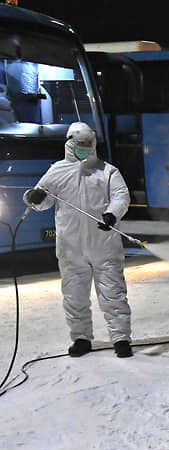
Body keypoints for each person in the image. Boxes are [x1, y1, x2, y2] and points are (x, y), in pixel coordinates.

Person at [22, 122, 133, 358]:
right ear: (70, 143)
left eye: (89, 144)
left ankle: (121, 339)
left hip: (104, 245)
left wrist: (112, 213)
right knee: (74, 296)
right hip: (71, 247)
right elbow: (42, 200)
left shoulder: (107, 171)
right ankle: (81, 339)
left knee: (113, 294)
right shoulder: (56, 172)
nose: (85, 148)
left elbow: (121, 195)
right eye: (80, 144)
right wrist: (34, 197)